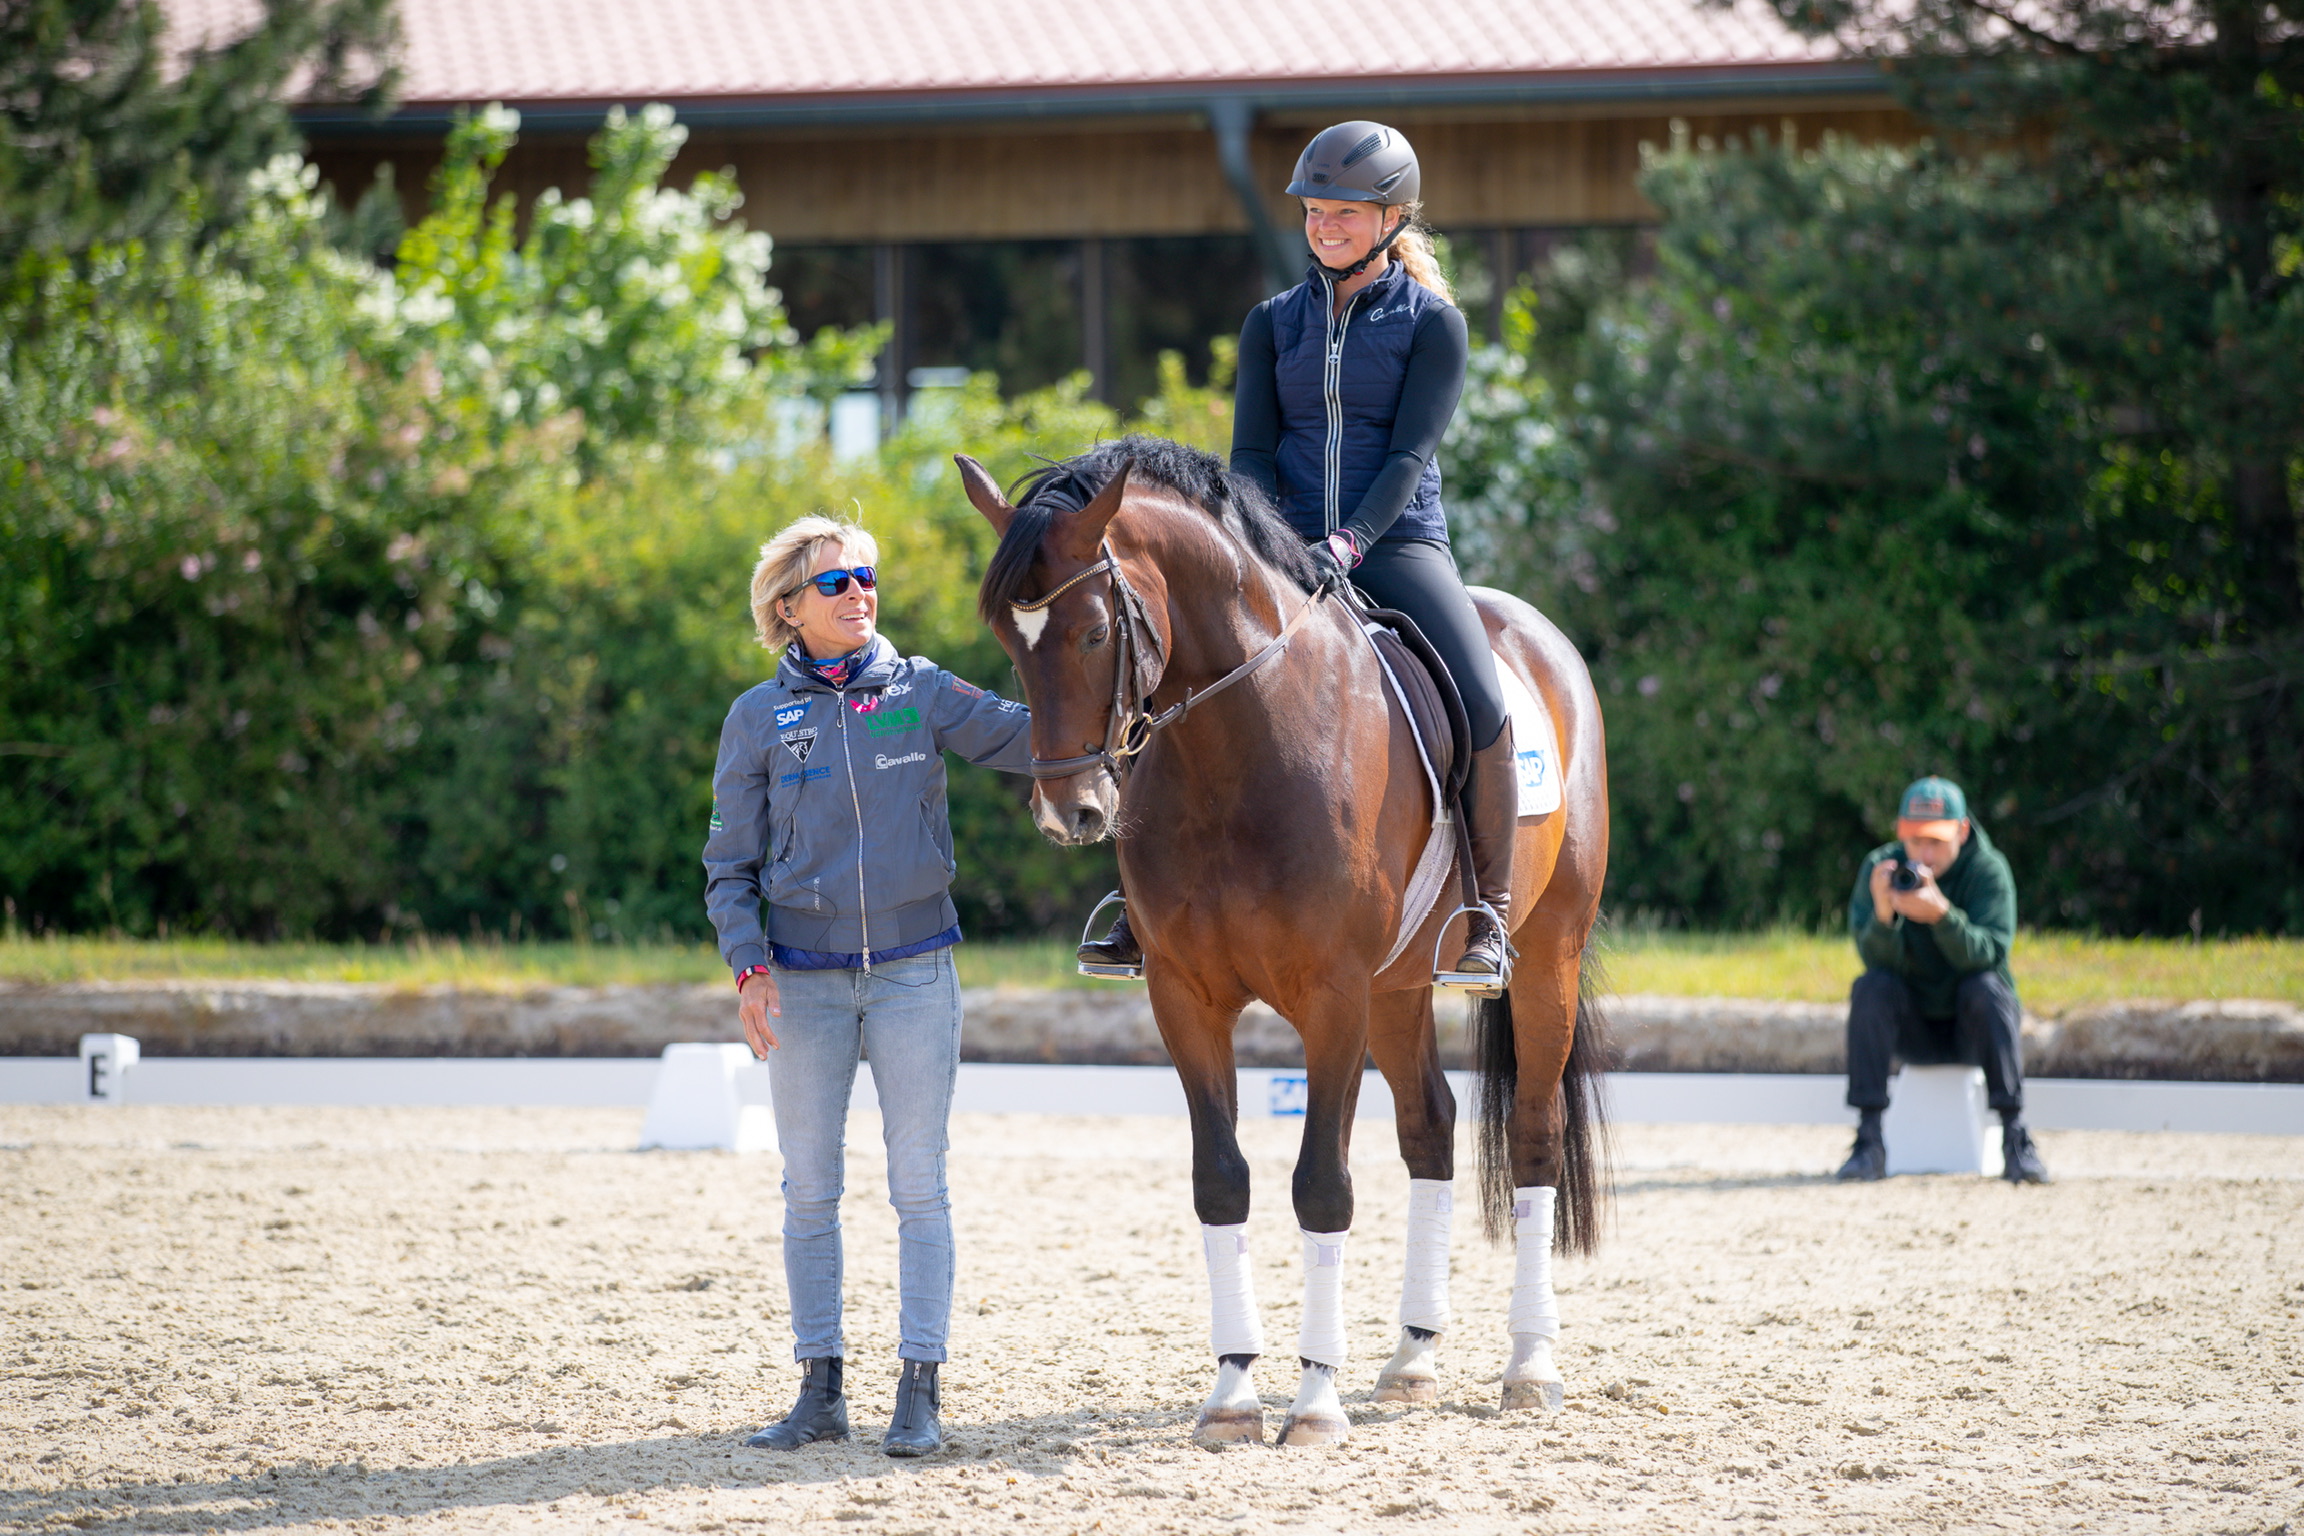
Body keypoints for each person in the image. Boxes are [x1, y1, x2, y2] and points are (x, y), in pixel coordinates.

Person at [1078, 119, 1516, 988]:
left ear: (1392, 217)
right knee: (1160, 675)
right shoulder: (1273, 323)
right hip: (1276, 548)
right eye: (1315, 212)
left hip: (1394, 543)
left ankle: (1486, 913)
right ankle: (1139, 907)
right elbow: (1247, 459)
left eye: (1344, 214)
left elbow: (1408, 456)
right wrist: (1262, 544)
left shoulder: (1435, 326)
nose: (1323, 227)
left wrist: (1351, 540)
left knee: (1482, 699)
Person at [703, 514, 1035, 1456]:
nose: (860, 593)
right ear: (788, 608)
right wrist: (749, 968)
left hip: (915, 974)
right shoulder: (755, 719)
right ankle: (821, 1392)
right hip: (800, 986)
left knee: (919, 1188)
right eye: (837, 582)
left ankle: (920, 1392)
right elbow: (728, 866)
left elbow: (1027, 739)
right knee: (808, 1192)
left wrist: (1102, 688)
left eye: (867, 577)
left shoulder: (923, 689)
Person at [1836, 776, 2049, 1184]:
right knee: (1870, 987)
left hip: (1971, 1030)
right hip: (1912, 1028)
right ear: (1901, 833)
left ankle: (2016, 1138)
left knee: (1987, 989)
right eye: (1915, 841)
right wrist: (1884, 915)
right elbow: (1873, 961)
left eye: (1936, 841)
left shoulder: (1988, 870)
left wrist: (1942, 916)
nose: (1925, 854)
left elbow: (1989, 955)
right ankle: (1868, 1142)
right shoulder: (1881, 869)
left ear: (1962, 830)